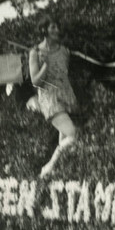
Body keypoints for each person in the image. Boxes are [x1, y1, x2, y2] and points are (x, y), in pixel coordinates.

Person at [29, 16, 78, 178]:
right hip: (50, 99)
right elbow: (36, 81)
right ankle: (47, 168)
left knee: (64, 140)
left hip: (65, 95)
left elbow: (64, 73)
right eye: (52, 27)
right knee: (73, 135)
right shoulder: (35, 52)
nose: (57, 30)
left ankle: (55, 173)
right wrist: (46, 65)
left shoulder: (64, 51)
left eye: (57, 27)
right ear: (44, 30)